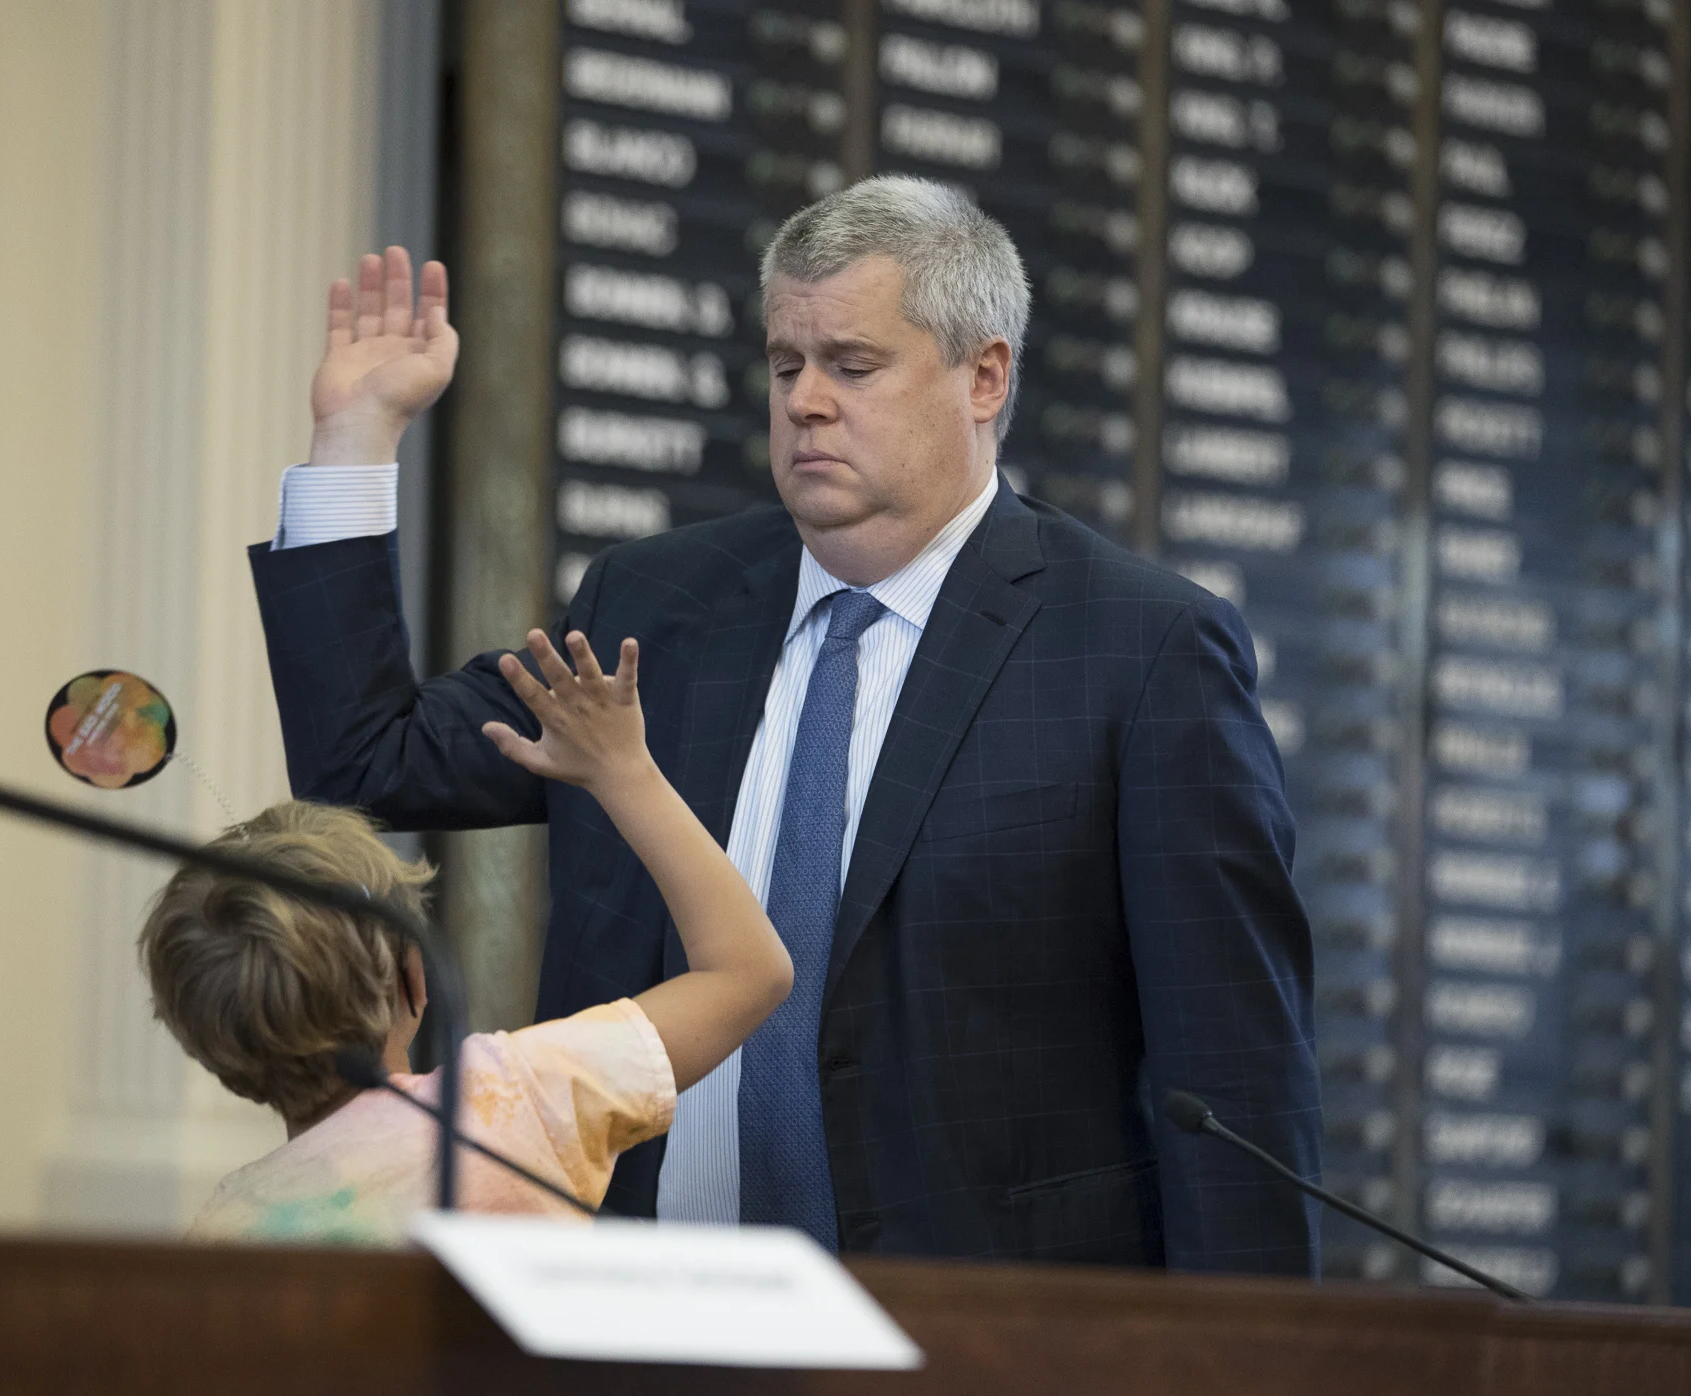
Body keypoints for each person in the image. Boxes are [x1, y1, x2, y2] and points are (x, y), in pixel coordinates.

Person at [248, 174, 1322, 1272]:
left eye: (851, 367)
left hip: (981, 1324)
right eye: (784, 365)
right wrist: (355, 436)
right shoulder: (654, 608)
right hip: (637, 1315)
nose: (805, 399)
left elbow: (1233, 1068)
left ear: (983, 375)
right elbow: (365, 765)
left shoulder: (1140, 649)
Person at [141, 629, 792, 1244]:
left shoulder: (224, 1229)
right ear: (414, 977)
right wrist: (623, 770)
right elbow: (749, 971)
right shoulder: (507, 1103)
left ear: (204, 1043)